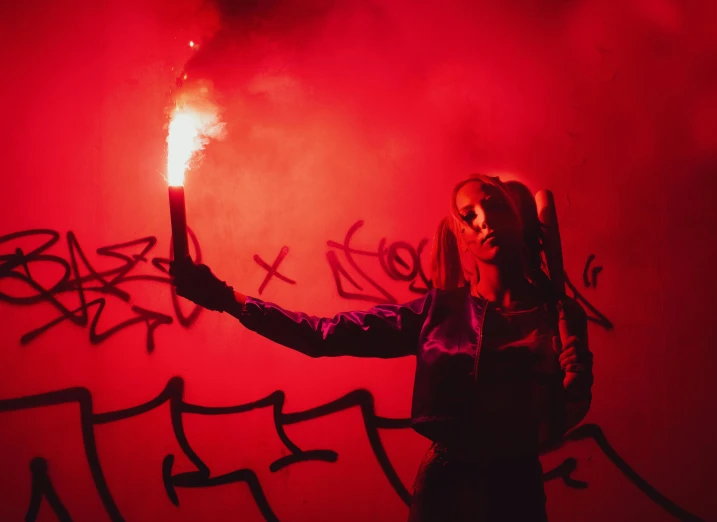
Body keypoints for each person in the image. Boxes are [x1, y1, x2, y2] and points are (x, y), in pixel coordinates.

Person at [170, 173, 593, 521]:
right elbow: (322, 335)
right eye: (469, 215)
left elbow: (561, 420)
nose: (484, 220)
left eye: (494, 205)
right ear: (461, 238)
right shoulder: (437, 314)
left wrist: (575, 384)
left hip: (517, 489)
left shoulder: (558, 316)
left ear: (519, 219)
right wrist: (227, 299)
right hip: (447, 492)